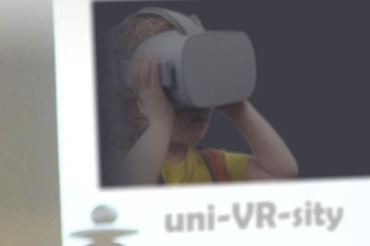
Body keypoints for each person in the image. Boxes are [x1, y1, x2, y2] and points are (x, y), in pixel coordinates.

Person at [103, 9, 299, 186]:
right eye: (180, 85)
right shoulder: (122, 164)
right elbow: (127, 193)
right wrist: (161, 121)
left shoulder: (214, 164)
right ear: (131, 96)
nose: (199, 104)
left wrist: (240, 110)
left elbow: (282, 172)